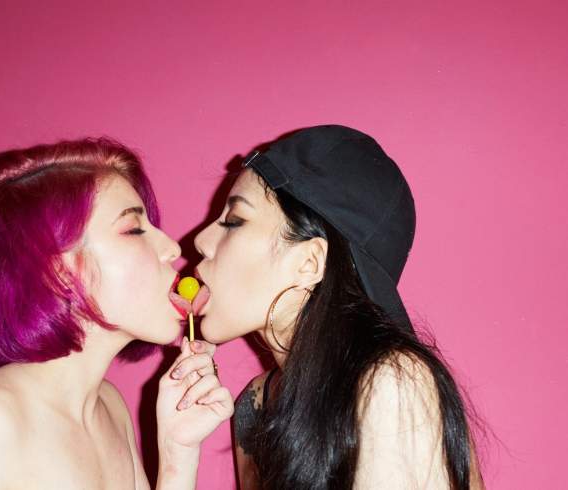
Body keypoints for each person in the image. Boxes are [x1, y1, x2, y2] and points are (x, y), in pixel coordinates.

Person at [0, 138, 233, 489]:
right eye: (134, 229)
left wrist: (177, 456)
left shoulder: (110, 408)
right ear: (58, 273)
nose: (172, 248)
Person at [191, 125, 483, 489]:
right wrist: (177, 455)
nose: (200, 240)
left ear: (309, 262)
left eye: (234, 221)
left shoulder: (389, 384)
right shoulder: (255, 406)